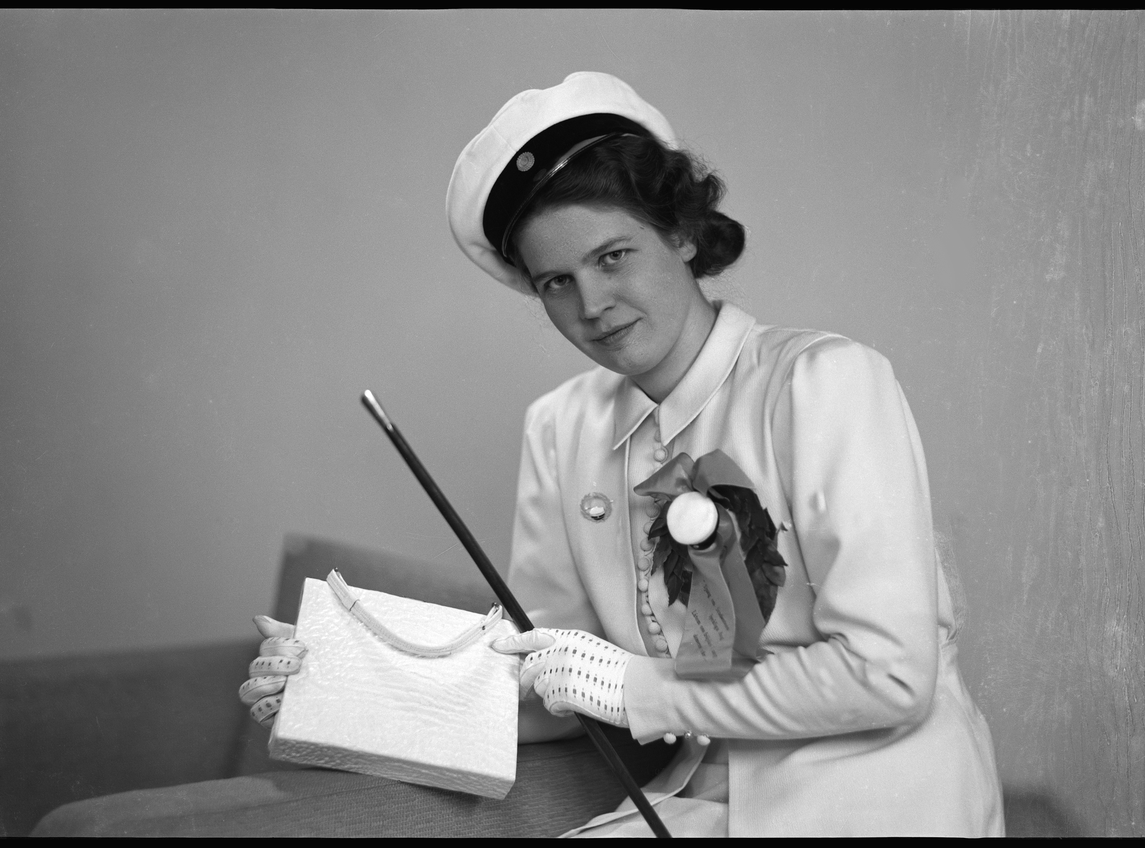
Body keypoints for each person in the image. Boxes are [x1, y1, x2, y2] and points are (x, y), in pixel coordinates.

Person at [240, 71, 1005, 837]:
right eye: (556, 283)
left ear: (681, 232)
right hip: (696, 806)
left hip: (879, 801)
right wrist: (349, 690)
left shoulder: (824, 382)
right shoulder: (561, 428)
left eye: (612, 257)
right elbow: (554, 682)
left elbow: (889, 674)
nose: (592, 306)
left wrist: (634, 687)